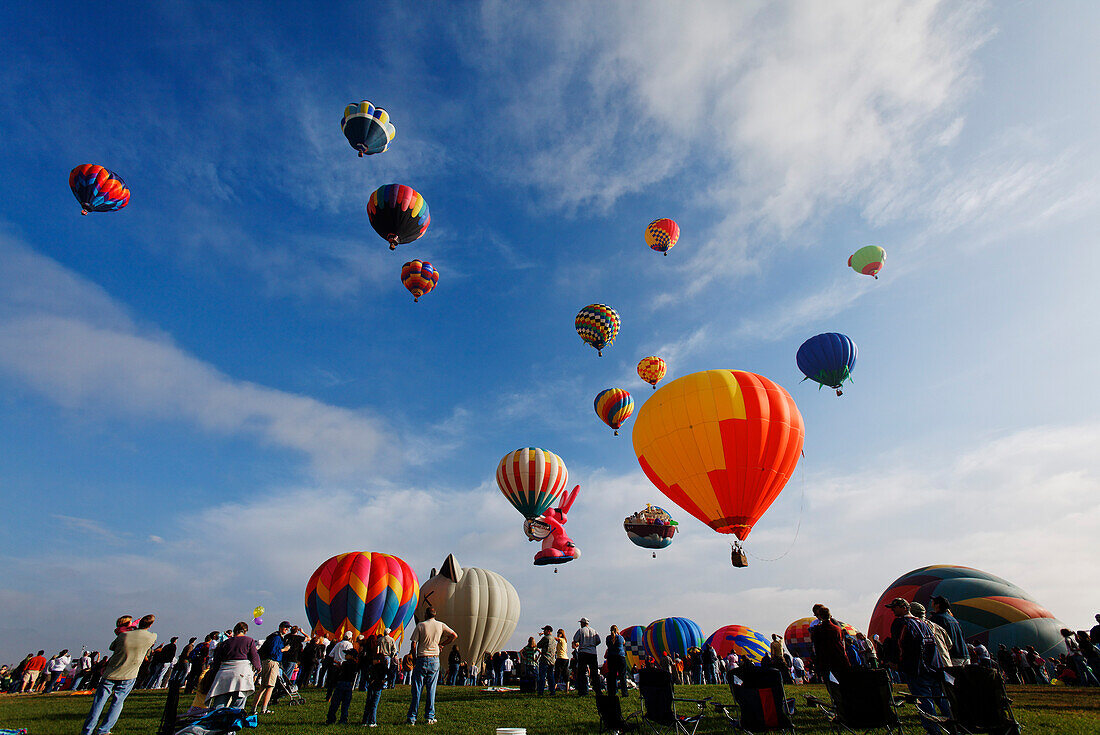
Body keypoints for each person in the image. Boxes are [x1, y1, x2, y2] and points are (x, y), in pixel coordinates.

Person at [81, 613, 158, 735]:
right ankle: (104, 730)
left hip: (111, 672)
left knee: (99, 702)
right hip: (130, 673)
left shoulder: (123, 635)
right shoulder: (152, 636)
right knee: (118, 702)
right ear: (151, 624)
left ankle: (87, 730)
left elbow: (112, 647)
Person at [885, 598, 950, 735]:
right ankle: (954, 725)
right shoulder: (923, 623)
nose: (892, 610)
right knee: (940, 698)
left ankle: (933, 730)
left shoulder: (901, 623)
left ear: (904, 607)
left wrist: (898, 664)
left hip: (916, 669)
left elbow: (900, 646)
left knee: (924, 700)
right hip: (933, 668)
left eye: (894, 607)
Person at [406, 605, 458, 725]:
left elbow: (413, 644)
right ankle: (429, 717)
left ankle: (412, 718)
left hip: (422, 658)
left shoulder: (421, 625)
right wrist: (442, 644)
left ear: (425, 615)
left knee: (417, 689)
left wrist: (414, 658)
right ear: (435, 615)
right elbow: (454, 635)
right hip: (434, 659)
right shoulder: (440, 625)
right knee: (431, 689)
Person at [205, 621, 261, 711]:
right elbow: (254, 656)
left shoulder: (225, 643)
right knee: (238, 702)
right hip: (241, 673)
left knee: (220, 702)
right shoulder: (249, 640)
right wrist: (258, 668)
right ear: (245, 631)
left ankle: (216, 720)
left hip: (224, 673)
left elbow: (217, 660)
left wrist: (213, 673)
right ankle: (234, 721)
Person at [255, 621, 291, 714]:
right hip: (272, 662)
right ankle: (264, 709)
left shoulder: (275, 637)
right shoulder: (276, 638)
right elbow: (273, 652)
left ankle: (254, 708)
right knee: (270, 686)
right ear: (280, 627)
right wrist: (284, 649)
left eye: (288, 628)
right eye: (285, 627)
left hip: (268, 662)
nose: (287, 629)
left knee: (263, 687)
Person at [809, 606, 849, 681]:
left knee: (831, 682)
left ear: (820, 616)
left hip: (825, 658)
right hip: (838, 657)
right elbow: (841, 643)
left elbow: (815, 644)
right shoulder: (836, 628)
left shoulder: (817, 629)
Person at [929, 597, 969, 667]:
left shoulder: (937, 619)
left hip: (953, 656)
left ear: (937, 605)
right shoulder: (953, 619)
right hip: (964, 654)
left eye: (933, 601)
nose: (931, 602)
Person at [326, 648, 359, 725]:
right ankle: (343, 720)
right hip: (349, 685)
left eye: (347, 654)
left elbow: (341, 673)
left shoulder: (345, 664)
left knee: (335, 703)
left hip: (341, 684)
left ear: (351, 656)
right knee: (345, 704)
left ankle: (331, 719)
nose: (345, 655)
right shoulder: (355, 664)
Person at [362, 644, 390, 727]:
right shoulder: (382, 667)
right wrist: (384, 681)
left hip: (373, 686)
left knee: (369, 703)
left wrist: (370, 680)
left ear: (378, 660)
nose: (373, 660)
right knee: (373, 704)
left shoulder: (374, 667)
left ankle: (366, 721)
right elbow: (390, 675)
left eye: (374, 659)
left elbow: (366, 675)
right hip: (377, 686)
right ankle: (371, 721)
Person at [573, 617, 602, 696]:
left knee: (582, 672)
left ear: (582, 623)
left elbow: (575, 639)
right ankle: (598, 690)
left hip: (583, 652)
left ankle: (583, 691)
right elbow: (598, 640)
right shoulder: (594, 631)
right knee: (594, 673)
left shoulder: (581, 630)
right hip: (593, 652)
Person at [605, 625, 628, 697]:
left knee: (612, 675)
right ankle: (624, 693)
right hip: (620, 657)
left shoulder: (608, 638)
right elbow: (624, 642)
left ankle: (613, 692)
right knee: (622, 675)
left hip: (611, 657)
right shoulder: (620, 638)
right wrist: (619, 634)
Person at [537, 625, 557, 695]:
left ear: (548, 631)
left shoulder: (545, 638)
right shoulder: (554, 639)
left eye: (544, 630)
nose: (543, 632)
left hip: (545, 659)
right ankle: (552, 691)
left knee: (542, 676)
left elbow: (538, 645)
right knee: (551, 676)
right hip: (552, 660)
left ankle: (540, 692)